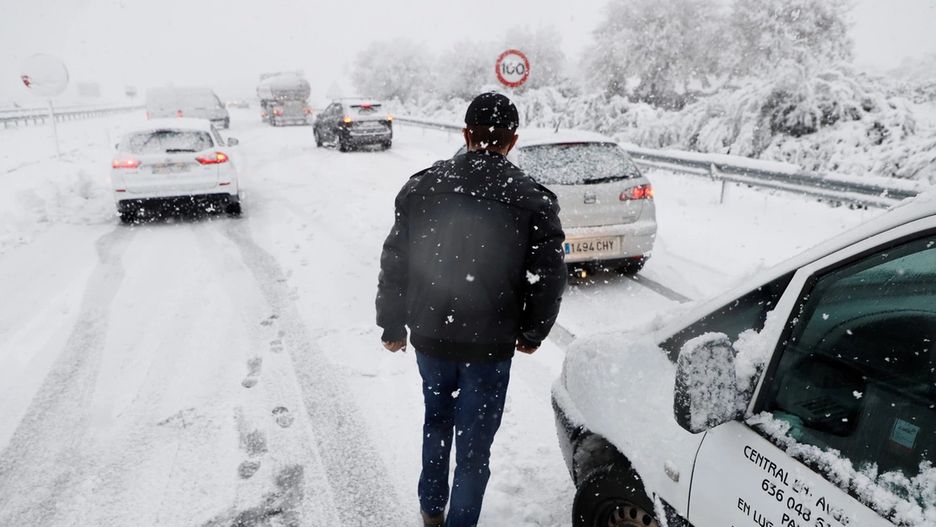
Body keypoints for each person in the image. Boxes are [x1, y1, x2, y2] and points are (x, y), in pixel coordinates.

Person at [375, 92, 566, 527]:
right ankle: (460, 519)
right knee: (475, 443)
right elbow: (549, 276)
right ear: (513, 141)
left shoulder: (422, 186)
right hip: (490, 345)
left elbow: (395, 261)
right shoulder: (532, 200)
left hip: (430, 336)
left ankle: (430, 509)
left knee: (437, 421)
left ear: (466, 133)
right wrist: (533, 333)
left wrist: (391, 325)